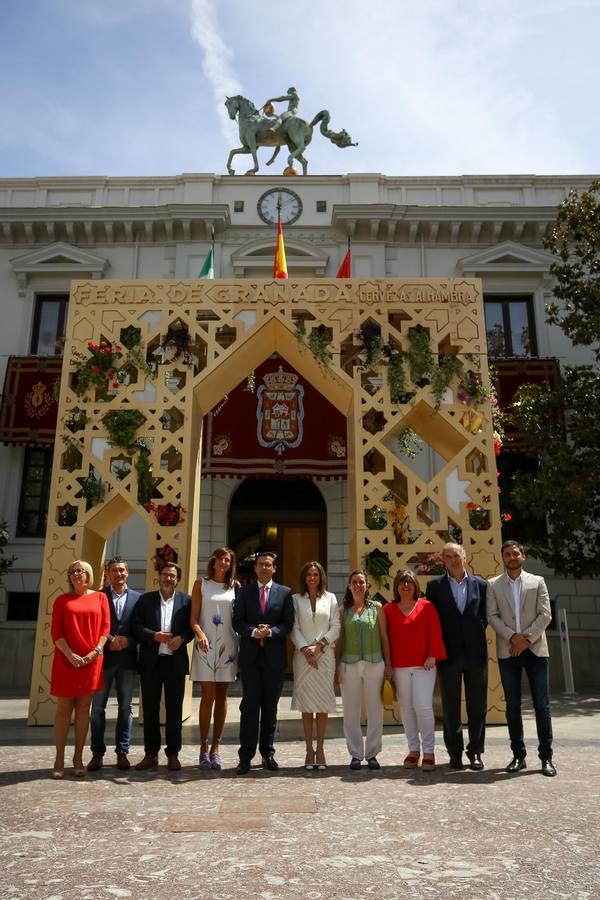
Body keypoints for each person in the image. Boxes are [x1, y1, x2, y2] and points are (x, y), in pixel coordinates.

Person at [487, 540, 556, 777]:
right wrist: (513, 638)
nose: (512, 557)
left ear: (523, 556)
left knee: (541, 706)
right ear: (502, 558)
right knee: (512, 707)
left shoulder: (538, 582)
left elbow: (545, 614)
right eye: (507, 554)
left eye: (515, 553)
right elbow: (492, 616)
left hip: (536, 650)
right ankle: (518, 756)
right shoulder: (493, 585)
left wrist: (526, 640)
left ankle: (546, 757)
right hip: (508, 652)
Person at [425, 542, 488, 770]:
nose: (453, 559)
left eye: (456, 555)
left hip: (476, 653)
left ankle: (475, 753)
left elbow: (484, 617)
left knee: (477, 706)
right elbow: (432, 622)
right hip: (448, 654)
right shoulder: (434, 587)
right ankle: (455, 753)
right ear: (443, 560)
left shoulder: (481, 585)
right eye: (448, 556)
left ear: (464, 557)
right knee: (450, 707)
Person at [232, 551, 294, 774]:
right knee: (249, 708)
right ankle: (245, 756)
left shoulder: (285, 593)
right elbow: (237, 621)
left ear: (274, 568)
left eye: (268, 565)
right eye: (260, 565)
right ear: (256, 568)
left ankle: (267, 752)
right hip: (250, 660)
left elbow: (288, 623)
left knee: (270, 708)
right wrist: (252, 632)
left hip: (274, 660)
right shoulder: (245, 592)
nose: (264, 568)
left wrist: (270, 632)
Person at [50, 560, 110, 778]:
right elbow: (56, 632)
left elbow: (105, 628)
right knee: (64, 708)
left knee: (84, 708)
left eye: (80, 570)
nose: (75, 574)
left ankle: (78, 758)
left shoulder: (100, 597)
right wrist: (70, 654)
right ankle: (58, 758)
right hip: (66, 659)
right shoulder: (61, 600)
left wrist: (96, 651)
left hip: (91, 660)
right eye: (72, 571)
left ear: (88, 575)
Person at [132, 562, 193, 771]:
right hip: (151, 662)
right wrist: (154, 636)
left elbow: (192, 627)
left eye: (173, 576)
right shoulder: (145, 600)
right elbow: (136, 626)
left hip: (174, 662)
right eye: (165, 574)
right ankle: (150, 754)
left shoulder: (186, 601)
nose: (168, 578)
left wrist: (182, 639)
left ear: (178, 579)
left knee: (175, 711)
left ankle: (173, 753)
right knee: (149, 710)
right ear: (159, 576)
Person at [383, 571, 446, 770]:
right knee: (406, 708)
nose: (406, 586)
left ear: (416, 586)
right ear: (396, 587)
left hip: (424, 666)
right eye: (402, 583)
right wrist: (388, 664)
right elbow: (384, 639)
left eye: (410, 583)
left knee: (423, 707)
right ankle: (413, 750)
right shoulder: (388, 609)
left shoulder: (426, 607)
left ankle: (429, 751)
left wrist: (433, 655)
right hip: (399, 667)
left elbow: (435, 632)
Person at [87, 556, 140, 772]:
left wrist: (129, 641)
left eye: (122, 570)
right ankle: (97, 753)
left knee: (126, 708)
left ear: (128, 573)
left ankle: (122, 752)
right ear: (107, 573)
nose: (119, 574)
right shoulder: (98, 596)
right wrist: (108, 641)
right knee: (98, 708)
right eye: (114, 570)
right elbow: (93, 625)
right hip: (103, 660)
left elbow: (141, 626)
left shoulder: (138, 598)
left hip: (127, 661)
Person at [335, 570, 391, 771]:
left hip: (375, 663)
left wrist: (389, 664)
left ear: (367, 585)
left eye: (362, 582)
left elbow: (384, 636)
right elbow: (339, 640)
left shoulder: (377, 608)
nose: (358, 585)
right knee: (351, 711)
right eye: (355, 582)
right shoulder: (343, 611)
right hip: (349, 665)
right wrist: (336, 667)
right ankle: (356, 754)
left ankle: (373, 753)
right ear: (349, 586)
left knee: (375, 709)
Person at [190, 547, 239, 771]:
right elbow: (193, 618)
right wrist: (200, 635)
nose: (223, 563)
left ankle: (216, 748)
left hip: (227, 646)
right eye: (220, 558)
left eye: (227, 560)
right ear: (213, 561)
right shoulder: (201, 584)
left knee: (222, 696)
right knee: (207, 696)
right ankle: (203, 746)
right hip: (206, 644)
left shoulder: (235, 587)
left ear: (231, 564)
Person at [290, 561, 340, 770]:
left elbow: (336, 626)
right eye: (309, 574)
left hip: (325, 656)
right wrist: (305, 649)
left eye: (316, 574)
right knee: (307, 706)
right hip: (303, 658)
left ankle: (321, 749)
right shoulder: (295, 599)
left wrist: (318, 646)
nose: (312, 578)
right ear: (304, 577)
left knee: (322, 705)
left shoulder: (331, 599)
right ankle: (308, 750)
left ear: (321, 577)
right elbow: (293, 627)